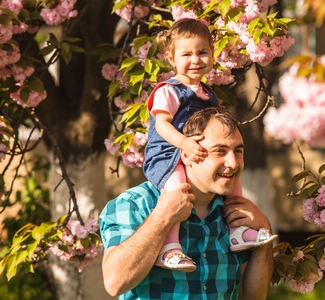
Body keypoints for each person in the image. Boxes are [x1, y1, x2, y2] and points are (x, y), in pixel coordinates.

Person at [143, 18, 276, 272]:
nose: (196, 60)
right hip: (167, 155)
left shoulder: (208, 94)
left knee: (232, 175)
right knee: (177, 192)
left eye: (202, 52)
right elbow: (161, 125)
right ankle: (170, 249)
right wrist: (183, 142)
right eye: (186, 54)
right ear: (172, 59)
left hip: (196, 155)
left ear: (212, 55)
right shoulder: (168, 91)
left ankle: (237, 231)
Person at [100, 107, 275, 299]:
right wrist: (163, 217)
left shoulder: (237, 214)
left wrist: (264, 233)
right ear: (185, 155)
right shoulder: (135, 204)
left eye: (238, 151)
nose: (233, 163)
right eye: (220, 151)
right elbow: (114, 283)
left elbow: (252, 296)